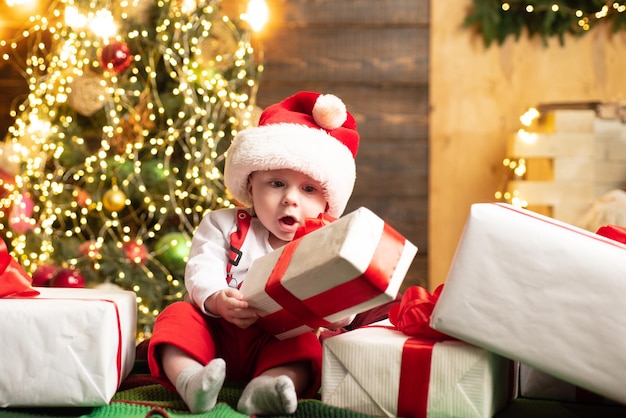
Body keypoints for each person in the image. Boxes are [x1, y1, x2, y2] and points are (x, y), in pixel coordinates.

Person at [147, 91, 360, 415]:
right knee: (175, 316)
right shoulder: (223, 223)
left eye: (308, 189)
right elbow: (201, 267)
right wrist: (216, 298)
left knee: (306, 345)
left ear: (326, 201)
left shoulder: (325, 243)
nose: (290, 198)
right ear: (251, 185)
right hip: (216, 332)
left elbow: (344, 315)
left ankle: (269, 387)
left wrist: (339, 298)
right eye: (276, 184)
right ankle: (190, 378)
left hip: (275, 339)